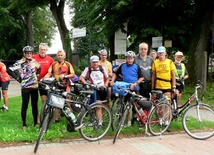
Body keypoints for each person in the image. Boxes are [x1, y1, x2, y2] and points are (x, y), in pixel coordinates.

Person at [110, 51, 149, 127]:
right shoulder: (122, 66)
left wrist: (136, 83)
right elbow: (116, 74)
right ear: (126, 59)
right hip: (125, 87)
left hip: (135, 87)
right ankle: (128, 122)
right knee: (127, 104)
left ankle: (143, 117)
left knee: (137, 104)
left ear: (133, 59)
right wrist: (112, 81)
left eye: (131, 59)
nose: (130, 60)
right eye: (128, 58)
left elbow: (141, 77)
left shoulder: (136, 66)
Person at [10, 45, 41, 130]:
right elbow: (10, 70)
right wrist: (17, 78)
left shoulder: (34, 61)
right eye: (27, 53)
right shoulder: (20, 62)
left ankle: (35, 123)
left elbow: (39, 68)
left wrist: (37, 75)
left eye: (30, 53)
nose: (29, 55)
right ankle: (24, 124)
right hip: (25, 87)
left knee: (35, 105)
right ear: (24, 54)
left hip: (34, 86)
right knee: (25, 105)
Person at [44, 49, 75, 122]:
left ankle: (72, 120)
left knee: (68, 102)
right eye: (59, 55)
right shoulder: (54, 64)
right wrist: (44, 78)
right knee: (56, 102)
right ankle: (56, 119)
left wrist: (65, 76)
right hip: (57, 85)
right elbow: (49, 73)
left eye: (61, 55)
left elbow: (73, 74)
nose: (60, 57)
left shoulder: (68, 64)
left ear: (64, 56)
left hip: (66, 85)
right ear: (57, 56)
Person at [79, 55, 109, 126]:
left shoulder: (102, 68)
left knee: (104, 104)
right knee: (98, 105)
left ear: (98, 62)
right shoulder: (88, 69)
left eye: (96, 62)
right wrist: (86, 83)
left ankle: (102, 119)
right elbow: (81, 77)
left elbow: (107, 78)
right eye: (93, 62)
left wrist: (105, 85)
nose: (95, 64)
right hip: (95, 88)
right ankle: (100, 123)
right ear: (91, 62)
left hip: (103, 88)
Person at [151, 46, 176, 131]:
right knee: (160, 105)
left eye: (162, 53)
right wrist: (152, 87)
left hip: (167, 86)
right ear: (157, 54)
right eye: (159, 53)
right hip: (158, 86)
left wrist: (174, 86)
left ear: (165, 53)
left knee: (167, 104)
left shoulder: (170, 62)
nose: (161, 54)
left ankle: (167, 122)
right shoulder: (155, 63)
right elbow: (153, 76)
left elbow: (173, 75)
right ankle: (160, 120)